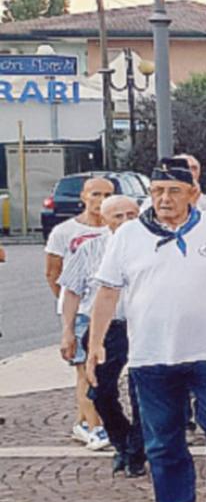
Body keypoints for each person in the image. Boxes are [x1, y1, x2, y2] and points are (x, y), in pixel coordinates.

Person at [88, 156, 206, 502]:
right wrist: (95, 343)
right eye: (157, 191)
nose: (164, 199)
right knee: (162, 436)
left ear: (193, 194)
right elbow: (108, 291)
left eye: (173, 191)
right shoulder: (128, 235)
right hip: (151, 354)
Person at [58, 194, 145, 476]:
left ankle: (137, 450)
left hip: (144, 325)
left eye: (131, 215)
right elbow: (71, 291)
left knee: (143, 390)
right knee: (100, 391)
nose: (125, 222)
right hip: (106, 329)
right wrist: (68, 331)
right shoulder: (89, 249)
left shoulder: (152, 246)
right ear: (104, 220)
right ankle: (122, 440)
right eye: (117, 216)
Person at [45, 175, 111, 451]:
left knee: (105, 373)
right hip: (84, 310)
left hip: (113, 313)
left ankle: (84, 421)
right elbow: (53, 272)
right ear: (83, 197)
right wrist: (68, 313)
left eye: (108, 195)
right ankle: (94, 426)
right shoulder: (64, 232)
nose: (101, 201)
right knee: (85, 371)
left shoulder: (119, 230)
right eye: (96, 195)